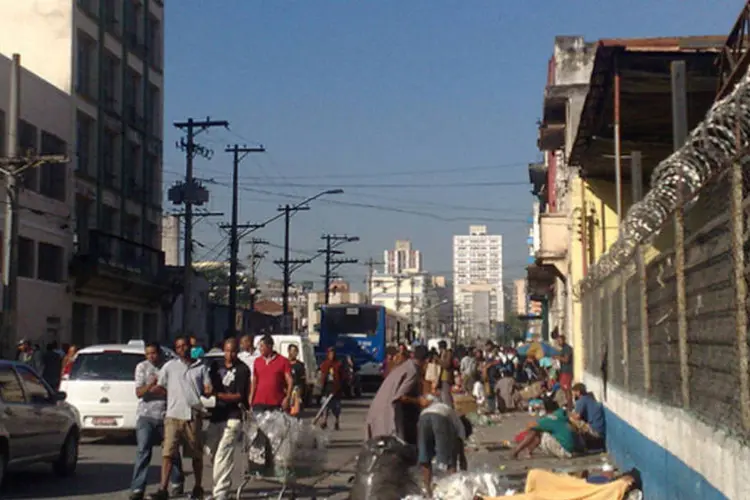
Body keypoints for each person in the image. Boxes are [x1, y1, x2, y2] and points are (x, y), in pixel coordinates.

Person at [149, 337, 212, 500]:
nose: (182, 349)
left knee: (196, 454)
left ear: (190, 347)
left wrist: (207, 391)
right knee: (168, 453)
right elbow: (161, 386)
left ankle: (198, 487)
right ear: (175, 350)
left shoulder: (201, 367)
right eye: (178, 347)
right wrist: (170, 395)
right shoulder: (170, 367)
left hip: (192, 415)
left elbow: (207, 388)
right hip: (173, 415)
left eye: (185, 346)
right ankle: (163, 488)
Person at [130, 342, 183, 500]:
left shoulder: (168, 367)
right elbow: (139, 392)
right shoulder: (142, 367)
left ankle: (177, 481)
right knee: (143, 451)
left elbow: (171, 391)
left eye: (153, 353)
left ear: (159, 353)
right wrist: (151, 385)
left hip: (166, 415)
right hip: (145, 415)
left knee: (170, 451)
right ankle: (138, 488)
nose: (151, 356)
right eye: (148, 354)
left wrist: (156, 389)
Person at [206, 338, 250, 500]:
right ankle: (219, 487)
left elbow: (239, 395)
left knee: (223, 454)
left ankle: (220, 493)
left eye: (232, 351)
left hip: (234, 416)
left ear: (237, 351)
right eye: (226, 351)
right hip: (217, 414)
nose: (229, 354)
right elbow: (208, 384)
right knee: (210, 450)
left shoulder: (242, 370)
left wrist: (218, 395)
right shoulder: (216, 367)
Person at [365, 344, 429, 445]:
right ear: (426, 361)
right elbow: (400, 397)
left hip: (378, 409)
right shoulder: (412, 371)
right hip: (387, 413)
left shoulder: (406, 366)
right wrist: (419, 401)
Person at [417, 394, 469, 496]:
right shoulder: (459, 425)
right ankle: (454, 490)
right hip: (440, 418)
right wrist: (464, 473)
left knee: (425, 456)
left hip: (423, 418)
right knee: (450, 459)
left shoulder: (438, 408)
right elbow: (461, 454)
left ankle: (428, 492)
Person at [511, 399, 576, 460]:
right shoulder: (562, 413)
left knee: (536, 430)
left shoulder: (551, 418)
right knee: (540, 429)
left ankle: (516, 452)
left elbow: (531, 426)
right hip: (571, 449)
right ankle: (528, 451)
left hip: (564, 452)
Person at [249, 335, 293, 412]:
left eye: (262, 346)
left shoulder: (283, 361)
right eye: (259, 346)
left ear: (269, 346)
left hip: (276, 402)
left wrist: (288, 397)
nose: (260, 349)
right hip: (259, 401)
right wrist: (251, 396)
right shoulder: (257, 361)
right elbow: (254, 381)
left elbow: (290, 381)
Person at [571, 383, 606, 450]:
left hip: (595, 431)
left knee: (571, 420)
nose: (573, 394)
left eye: (574, 392)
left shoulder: (581, 400)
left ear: (578, 392)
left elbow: (577, 417)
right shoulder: (590, 398)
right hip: (600, 430)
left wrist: (569, 414)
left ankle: (578, 443)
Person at [318, 347, 344, 430]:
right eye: (330, 354)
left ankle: (336, 421)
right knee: (325, 406)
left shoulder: (338, 364)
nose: (331, 355)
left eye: (333, 354)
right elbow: (322, 376)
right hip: (327, 388)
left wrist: (340, 386)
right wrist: (321, 386)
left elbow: (342, 376)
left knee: (336, 407)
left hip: (336, 389)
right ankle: (324, 421)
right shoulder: (325, 364)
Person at [556, 335, 574, 410]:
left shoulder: (567, 348)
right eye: (558, 341)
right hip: (563, 371)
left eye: (560, 340)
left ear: (564, 340)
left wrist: (558, 358)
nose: (558, 342)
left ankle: (570, 407)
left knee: (567, 389)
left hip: (567, 371)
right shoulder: (563, 349)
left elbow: (566, 360)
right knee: (564, 388)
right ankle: (568, 404)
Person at [287, 344, 307, 413]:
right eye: (292, 351)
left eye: (296, 351)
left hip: (295, 391)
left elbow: (302, 381)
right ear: (288, 351)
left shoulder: (300, 365)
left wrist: (299, 394)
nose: (294, 353)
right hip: (285, 391)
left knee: (294, 412)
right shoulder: (285, 363)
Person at [437, 340, 454, 406]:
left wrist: (438, 360)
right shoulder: (441, 354)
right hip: (441, 378)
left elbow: (447, 365)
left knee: (446, 397)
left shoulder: (448, 353)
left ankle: (448, 410)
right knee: (442, 396)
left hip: (446, 377)